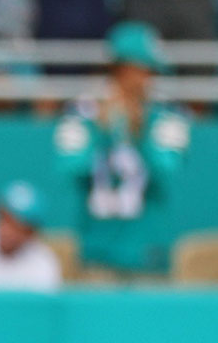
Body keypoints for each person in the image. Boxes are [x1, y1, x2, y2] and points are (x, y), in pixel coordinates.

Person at [53, 21, 190, 275]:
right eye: (146, 70)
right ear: (123, 69)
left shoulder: (167, 114)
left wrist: (139, 134)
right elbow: (70, 168)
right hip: (97, 249)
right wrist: (102, 133)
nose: (150, 79)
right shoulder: (82, 111)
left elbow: (166, 170)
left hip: (149, 249)